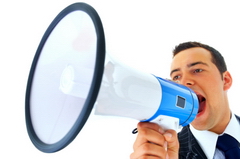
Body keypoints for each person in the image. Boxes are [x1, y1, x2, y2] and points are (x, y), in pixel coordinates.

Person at [130, 41, 240, 159]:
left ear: (226, 80)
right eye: (176, 77)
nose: (183, 83)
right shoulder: (169, 153)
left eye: (197, 70)